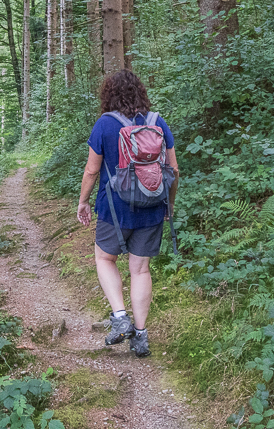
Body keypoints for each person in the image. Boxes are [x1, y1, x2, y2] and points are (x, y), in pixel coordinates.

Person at [76, 69, 179, 358]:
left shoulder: (105, 125)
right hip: (153, 207)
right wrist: (168, 205)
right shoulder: (157, 122)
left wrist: (83, 202)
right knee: (141, 269)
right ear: (140, 92)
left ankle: (120, 317)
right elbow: (173, 170)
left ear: (108, 94)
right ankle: (141, 336)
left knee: (104, 258)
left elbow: (92, 170)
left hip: (113, 208)